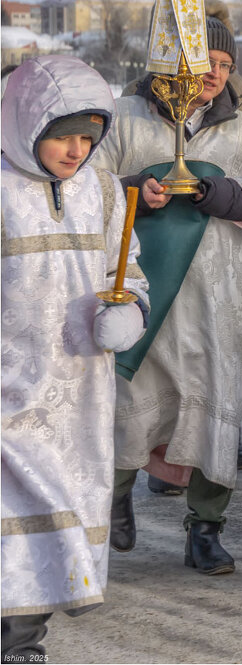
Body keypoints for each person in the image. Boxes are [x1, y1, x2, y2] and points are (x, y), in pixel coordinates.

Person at [91, 17, 242, 575]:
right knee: (132, 394)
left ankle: (206, 528)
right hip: (145, 280)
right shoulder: (126, 117)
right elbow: (90, 179)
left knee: (213, 396)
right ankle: (115, 496)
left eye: (226, 67)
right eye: (208, 64)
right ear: (176, 62)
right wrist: (132, 190)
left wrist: (222, 192)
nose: (217, 77)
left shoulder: (240, 128)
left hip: (217, 289)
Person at [2, 57, 149, 660]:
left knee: (56, 510)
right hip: (9, 386)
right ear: (27, 126)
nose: (76, 150)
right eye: (63, 135)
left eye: (88, 138)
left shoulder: (106, 193)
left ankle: (27, 635)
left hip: (78, 394)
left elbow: (129, 268)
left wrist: (130, 310)